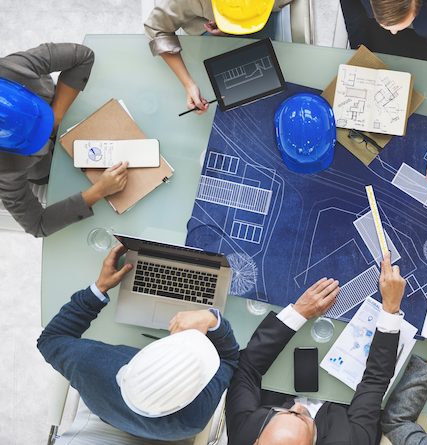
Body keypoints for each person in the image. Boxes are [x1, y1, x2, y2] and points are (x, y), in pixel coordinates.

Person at [37, 244, 240, 441]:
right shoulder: (193, 419)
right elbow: (230, 358)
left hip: (110, 412)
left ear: (131, 363)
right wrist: (212, 320)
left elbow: (50, 339)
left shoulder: (88, 365)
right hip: (126, 421)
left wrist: (100, 287)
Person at [226, 251, 406, 445]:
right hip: (346, 383)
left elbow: (247, 366)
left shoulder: (245, 434)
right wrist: (391, 308)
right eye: (301, 418)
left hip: (284, 365)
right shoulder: (350, 441)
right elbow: (376, 380)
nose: (296, 407)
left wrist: (298, 313)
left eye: (279, 414)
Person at [339, 0, 427, 196]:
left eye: (396, 27)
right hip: (376, 36)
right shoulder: (383, 24)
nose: (394, 32)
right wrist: (362, 57)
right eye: (389, 26)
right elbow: (354, 19)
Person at [0, 43, 128, 237]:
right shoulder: (6, 171)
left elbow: (83, 56)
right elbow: (38, 225)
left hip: (69, 111)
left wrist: (56, 116)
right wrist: (98, 191)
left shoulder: (13, 68)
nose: (44, 138)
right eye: (35, 140)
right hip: (45, 168)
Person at [144, 0, 291, 115]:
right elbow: (156, 28)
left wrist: (233, 25)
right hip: (205, 28)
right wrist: (189, 85)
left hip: (262, 20)